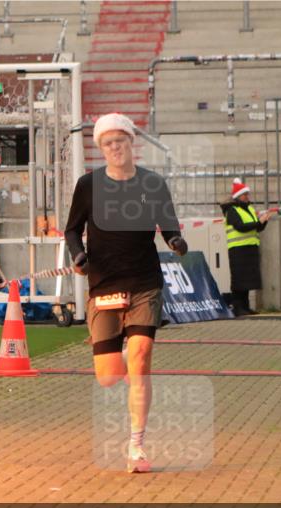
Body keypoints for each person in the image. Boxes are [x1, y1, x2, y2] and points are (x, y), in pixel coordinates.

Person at [65, 112, 188, 473]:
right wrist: (78, 256)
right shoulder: (88, 185)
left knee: (141, 355)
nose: (115, 147)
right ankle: (117, 351)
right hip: (103, 284)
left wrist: (175, 240)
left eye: (120, 140)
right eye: (107, 143)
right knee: (108, 376)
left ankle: (136, 445)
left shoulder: (152, 184)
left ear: (131, 143)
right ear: (100, 149)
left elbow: (169, 224)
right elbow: (72, 230)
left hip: (143, 282)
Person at [220, 178, 271, 317]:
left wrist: (264, 221)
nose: (248, 196)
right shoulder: (232, 210)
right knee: (239, 280)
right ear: (238, 197)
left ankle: (245, 307)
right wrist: (257, 222)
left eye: (248, 194)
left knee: (247, 280)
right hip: (238, 249)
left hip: (249, 248)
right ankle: (238, 307)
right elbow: (240, 227)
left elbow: (256, 228)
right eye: (245, 194)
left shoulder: (248, 208)